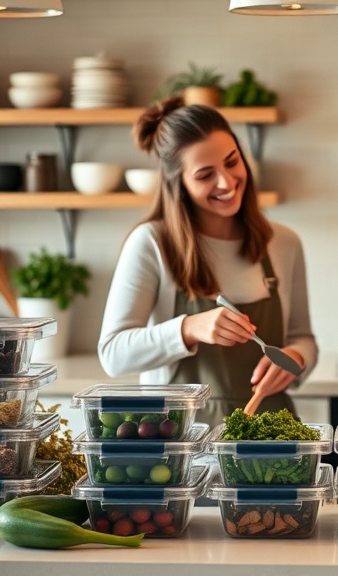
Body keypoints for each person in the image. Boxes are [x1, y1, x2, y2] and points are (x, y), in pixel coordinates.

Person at [98, 96, 317, 425]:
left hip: (270, 438)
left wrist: (295, 358)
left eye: (232, 162)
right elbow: (113, 354)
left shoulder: (284, 243)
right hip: (182, 443)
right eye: (205, 175)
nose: (226, 183)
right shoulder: (151, 243)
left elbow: (304, 339)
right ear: (179, 185)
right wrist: (188, 328)